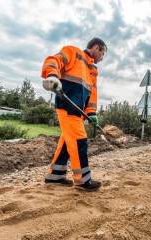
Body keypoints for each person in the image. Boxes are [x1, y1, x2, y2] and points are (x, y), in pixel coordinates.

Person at [41, 37, 107, 191]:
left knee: (67, 142)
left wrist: (92, 113)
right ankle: (83, 181)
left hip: (79, 111)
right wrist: (52, 75)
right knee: (79, 141)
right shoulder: (73, 52)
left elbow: (92, 94)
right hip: (67, 105)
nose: (102, 58)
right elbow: (53, 60)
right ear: (97, 48)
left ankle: (55, 176)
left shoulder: (93, 70)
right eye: (103, 54)